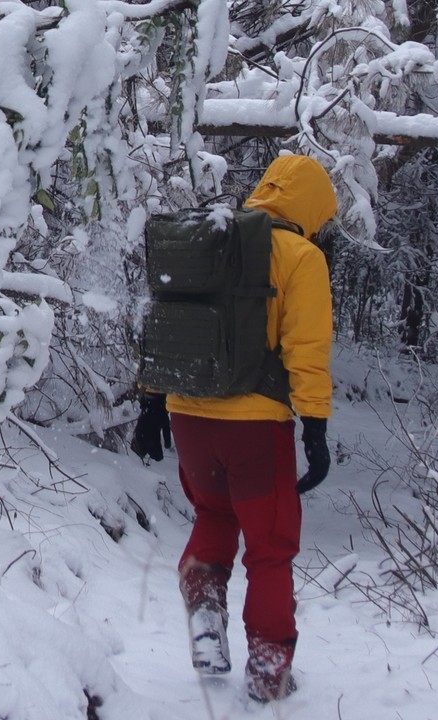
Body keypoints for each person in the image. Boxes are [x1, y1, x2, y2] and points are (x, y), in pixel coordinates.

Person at [131, 154, 336, 703]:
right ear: (312, 206)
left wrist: (152, 401)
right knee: (270, 547)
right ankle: (269, 670)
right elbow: (307, 351)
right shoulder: (299, 255)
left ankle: (203, 603)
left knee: (213, 513)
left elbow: (166, 321)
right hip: (255, 425)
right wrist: (314, 426)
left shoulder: (214, 239)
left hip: (187, 412)